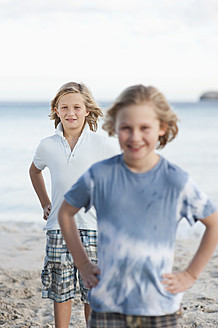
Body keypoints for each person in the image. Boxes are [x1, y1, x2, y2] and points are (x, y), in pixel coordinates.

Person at [58, 84, 218, 328]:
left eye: (145, 128)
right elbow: (66, 212)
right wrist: (82, 263)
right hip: (107, 307)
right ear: (114, 128)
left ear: (161, 128)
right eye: (126, 128)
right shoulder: (99, 175)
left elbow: (213, 223)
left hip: (159, 309)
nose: (135, 137)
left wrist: (190, 274)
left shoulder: (176, 180)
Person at [29, 81, 120, 328]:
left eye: (77, 107)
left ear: (87, 110)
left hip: (93, 229)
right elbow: (35, 172)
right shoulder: (47, 145)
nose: (71, 113)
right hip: (58, 228)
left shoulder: (102, 144)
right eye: (65, 107)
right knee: (61, 291)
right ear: (56, 110)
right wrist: (45, 203)